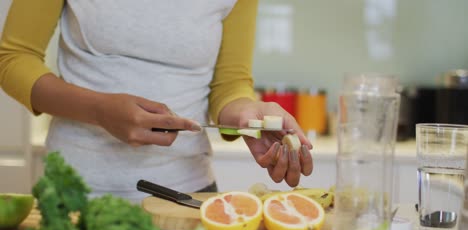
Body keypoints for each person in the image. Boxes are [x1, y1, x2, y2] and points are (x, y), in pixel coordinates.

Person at [0, 0, 313, 202]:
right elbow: (13, 58)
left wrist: (249, 115)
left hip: (185, 196)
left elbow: (229, 84)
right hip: (75, 194)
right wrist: (99, 109)